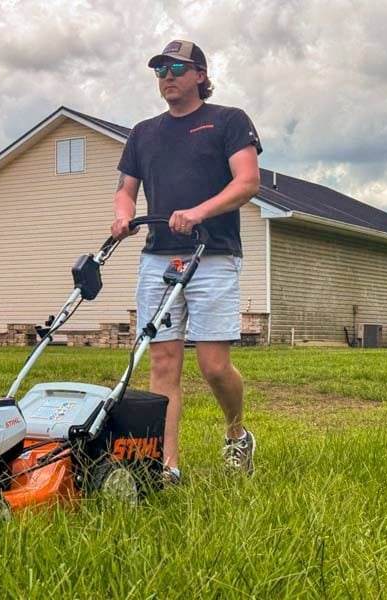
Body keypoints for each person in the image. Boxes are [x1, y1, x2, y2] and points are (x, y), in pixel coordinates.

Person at [111, 40, 262, 483]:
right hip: (158, 256)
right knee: (163, 361)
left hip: (212, 254)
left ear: (200, 74)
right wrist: (123, 215)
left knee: (214, 364)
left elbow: (248, 181)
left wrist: (199, 211)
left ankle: (236, 434)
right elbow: (126, 189)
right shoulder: (143, 133)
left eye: (177, 67)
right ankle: (166, 465)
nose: (167, 76)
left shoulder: (228, 121)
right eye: (159, 69)